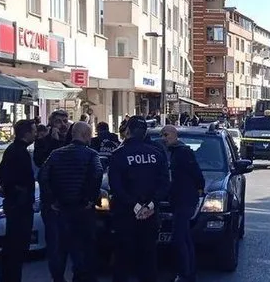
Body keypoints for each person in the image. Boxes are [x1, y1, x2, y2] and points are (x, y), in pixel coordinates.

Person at [38, 122, 103, 282]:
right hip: (82, 209)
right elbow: (98, 174)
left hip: (60, 208)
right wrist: (90, 198)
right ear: (86, 135)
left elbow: (42, 176)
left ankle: (59, 278)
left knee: (59, 248)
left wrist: (52, 199)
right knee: (82, 247)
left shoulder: (56, 154)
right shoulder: (91, 155)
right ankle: (80, 276)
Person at [108, 116, 170, 282]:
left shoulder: (119, 154)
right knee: (148, 257)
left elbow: (115, 186)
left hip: (125, 215)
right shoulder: (157, 153)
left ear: (128, 131)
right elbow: (165, 183)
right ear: (145, 133)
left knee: (122, 258)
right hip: (150, 215)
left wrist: (135, 206)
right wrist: (150, 205)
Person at [160, 125, 205, 282]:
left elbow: (197, 174)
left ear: (174, 135)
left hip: (185, 200)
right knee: (185, 238)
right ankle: (189, 273)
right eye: (162, 135)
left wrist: (199, 190)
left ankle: (185, 274)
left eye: (166, 135)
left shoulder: (183, 152)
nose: (164, 138)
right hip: (177, 200)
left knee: (178, 239)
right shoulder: (172, 152)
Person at [34, 110, 73, 282]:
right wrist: (53, 142)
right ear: (51, 124)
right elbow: (43, 164)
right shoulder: (43, 142)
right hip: (52, 203)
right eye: (59, 121)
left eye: (65, 121)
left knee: (73, 243)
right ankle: (58, 277)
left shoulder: (72, 140)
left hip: (72, 200)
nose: (63, 124)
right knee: (56, 244)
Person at [0, 119, 37, 282]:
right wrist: (13, 191)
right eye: (33, 131)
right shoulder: (17, 152)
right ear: (26, 133)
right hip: (19, 206)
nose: (35, 133)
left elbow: (1, 172)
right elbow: (6, 175)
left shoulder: (16, 150)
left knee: (14, 247)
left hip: (18, 204)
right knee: (16, 247)